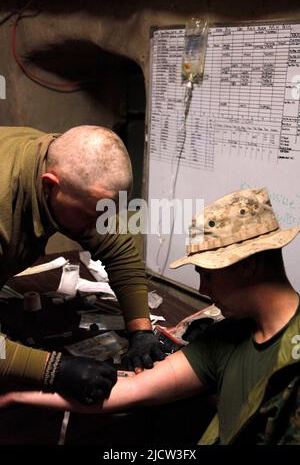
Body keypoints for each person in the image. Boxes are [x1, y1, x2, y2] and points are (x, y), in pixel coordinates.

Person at [3, 187, 300, 445]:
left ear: (247, 266)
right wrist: (19, 395)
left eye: (207, 275)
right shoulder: (229, 336)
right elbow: (131, 389)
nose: (202, 288)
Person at [0, 125, 165, 405]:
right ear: (50, 185)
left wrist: (140, 330)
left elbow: (119, 250)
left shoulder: (59, 164)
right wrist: (53, 369)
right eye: (92, 216)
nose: (98, 226)